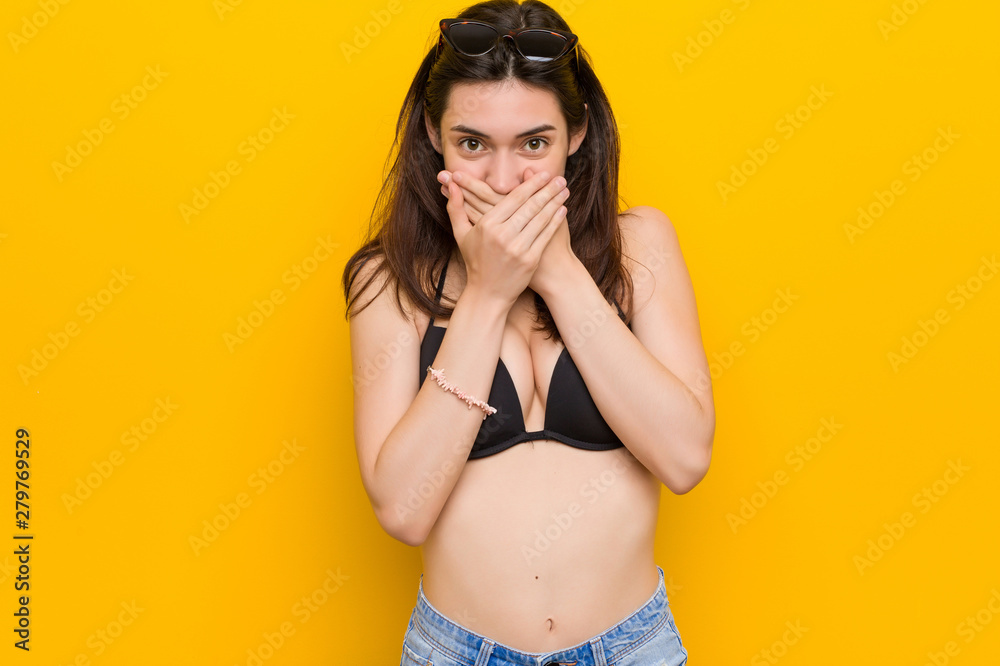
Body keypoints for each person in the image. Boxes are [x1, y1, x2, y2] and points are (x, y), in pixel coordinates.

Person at [341, 1, 714, 664]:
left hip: (633, 649)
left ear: (577, 135)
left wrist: (559, 272)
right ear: (434, 134)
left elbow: (684, 459)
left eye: (534, 143)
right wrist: (488, 292)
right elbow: (403, 509)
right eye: (473, 144)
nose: (505, 180)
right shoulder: (390, 279)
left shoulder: (642, 248)